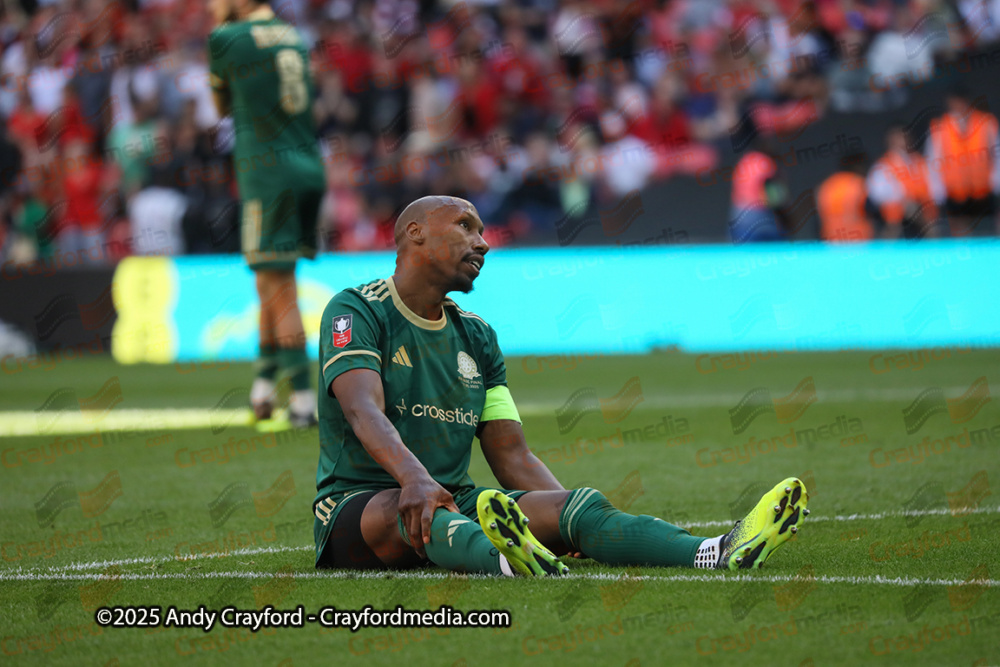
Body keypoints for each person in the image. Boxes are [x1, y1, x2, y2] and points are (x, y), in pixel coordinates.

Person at [313, 195, 809, 575]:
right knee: (413, 511)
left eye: (483, 231)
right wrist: (415, 479)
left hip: (454, 497)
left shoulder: (477, 335)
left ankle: (714, 552)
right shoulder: (357, 309)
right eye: (465, 227)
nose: (482, 242)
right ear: (415, 234)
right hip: (359, 507)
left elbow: (511, 455)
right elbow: (363, 412)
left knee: (582, 505)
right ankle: (506, 561)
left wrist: (567, 517)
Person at [208, 0, 326, 427]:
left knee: (280, 289)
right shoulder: (294, 35)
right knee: (269, 282)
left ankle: (302, 401)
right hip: (307, 165)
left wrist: (221, 27)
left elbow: (221, 106)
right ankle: (263, 388)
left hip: (268, 174)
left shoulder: (227, 38)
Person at [925, 86, 1000, 237]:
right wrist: (937, 190)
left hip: (983, 189)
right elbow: (933, 160)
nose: (958, 106)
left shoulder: (986, 122)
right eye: (954, 102)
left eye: (961, 101)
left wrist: (996, 181)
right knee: (960, 235)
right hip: (955, 191)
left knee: (989, 233)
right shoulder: (940, 127)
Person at [867, 124, 938, 238]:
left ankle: (932, 236)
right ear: (889, 141)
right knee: (907, 209)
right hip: (896, 216)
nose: (901, 141)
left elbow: (935, 188)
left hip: (924, 210)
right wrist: (903, 200)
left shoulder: (920, 162)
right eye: (897, 138)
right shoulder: (883, 165)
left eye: (904, 137)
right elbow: (876, 194)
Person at [816, 153, 877, 242]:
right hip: (859, 240)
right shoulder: (859, 184)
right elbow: (871, 209)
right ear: (857, 166)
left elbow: (817, 218)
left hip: (832, 240)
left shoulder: (826, 186)